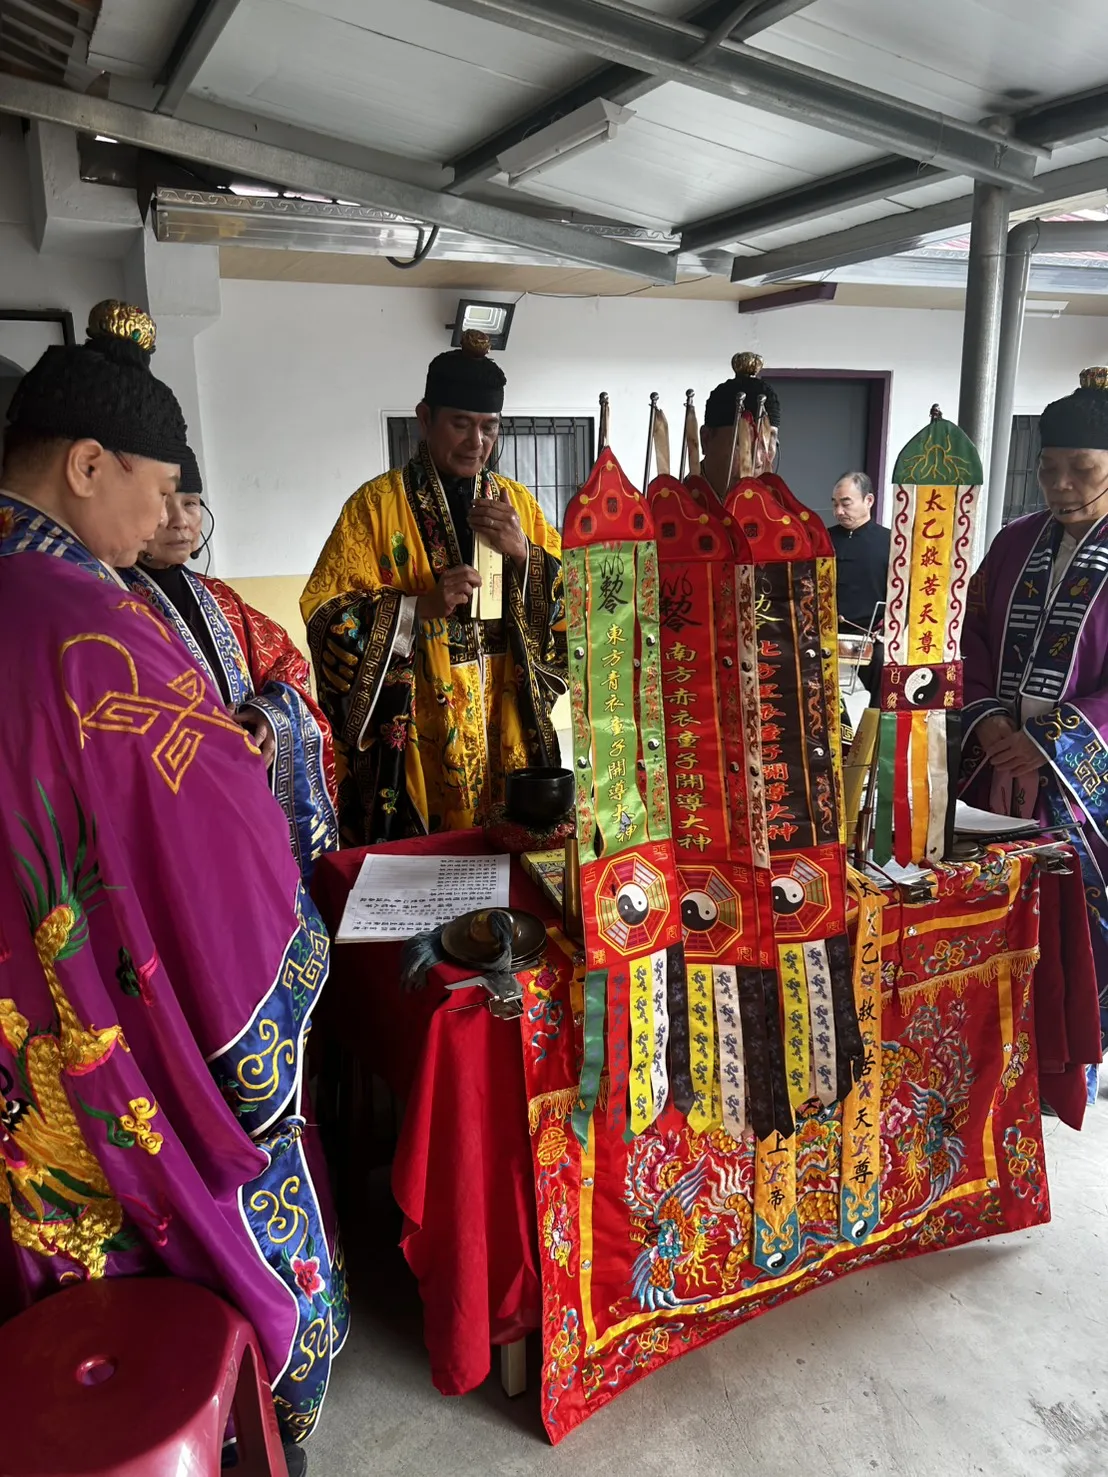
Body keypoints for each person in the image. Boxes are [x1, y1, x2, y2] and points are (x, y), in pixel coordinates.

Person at [0, 301, 345, 1469]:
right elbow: (211, 831)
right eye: (157, 490)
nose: (166, 518)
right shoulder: (82, 617)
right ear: (87, 464)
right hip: (99, 1034)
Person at [301, 330, 566, 843]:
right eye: (460, 424)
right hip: (421, 725)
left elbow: (575, 602)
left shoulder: (518, 505)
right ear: (425, 419)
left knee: (510, 855)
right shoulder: (374, 507)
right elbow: (325, 615)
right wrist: (416, 608)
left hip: (504, 716)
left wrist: (524, 554)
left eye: (489, 427)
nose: (476, 442)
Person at [961, 367, 1108, 1106]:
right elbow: (973, 634)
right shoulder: (1015, 541)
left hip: (1086, 789)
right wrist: (988, 716)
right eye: (1049, 468)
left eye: (1082, 469)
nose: (1061, 485)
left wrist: (1051, 737)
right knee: (995, 916)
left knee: (1076, 934)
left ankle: (1070, 1066)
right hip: (996, 768)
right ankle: (993, 1063)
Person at [121, 485, 337, 882]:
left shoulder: (219, 596)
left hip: (254, 782)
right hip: (183, 799)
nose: (180, 521)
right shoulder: (116, 604)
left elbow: (287, 661)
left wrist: (270, 714)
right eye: (164, 503)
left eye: (190, 503)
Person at [697, 351, 780, 500]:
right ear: (706, 440)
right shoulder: (670, 506)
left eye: (765, 444)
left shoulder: (781, 511)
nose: (758, 461)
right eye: (741, 443)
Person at [828, 472, 890, 639]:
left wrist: (886, 630)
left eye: (846, 504)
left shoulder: (892, 542)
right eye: (835, 504)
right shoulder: (823, 539)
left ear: (868, 500)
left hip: (872, 636)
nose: (839, 511)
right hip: (825, 635)